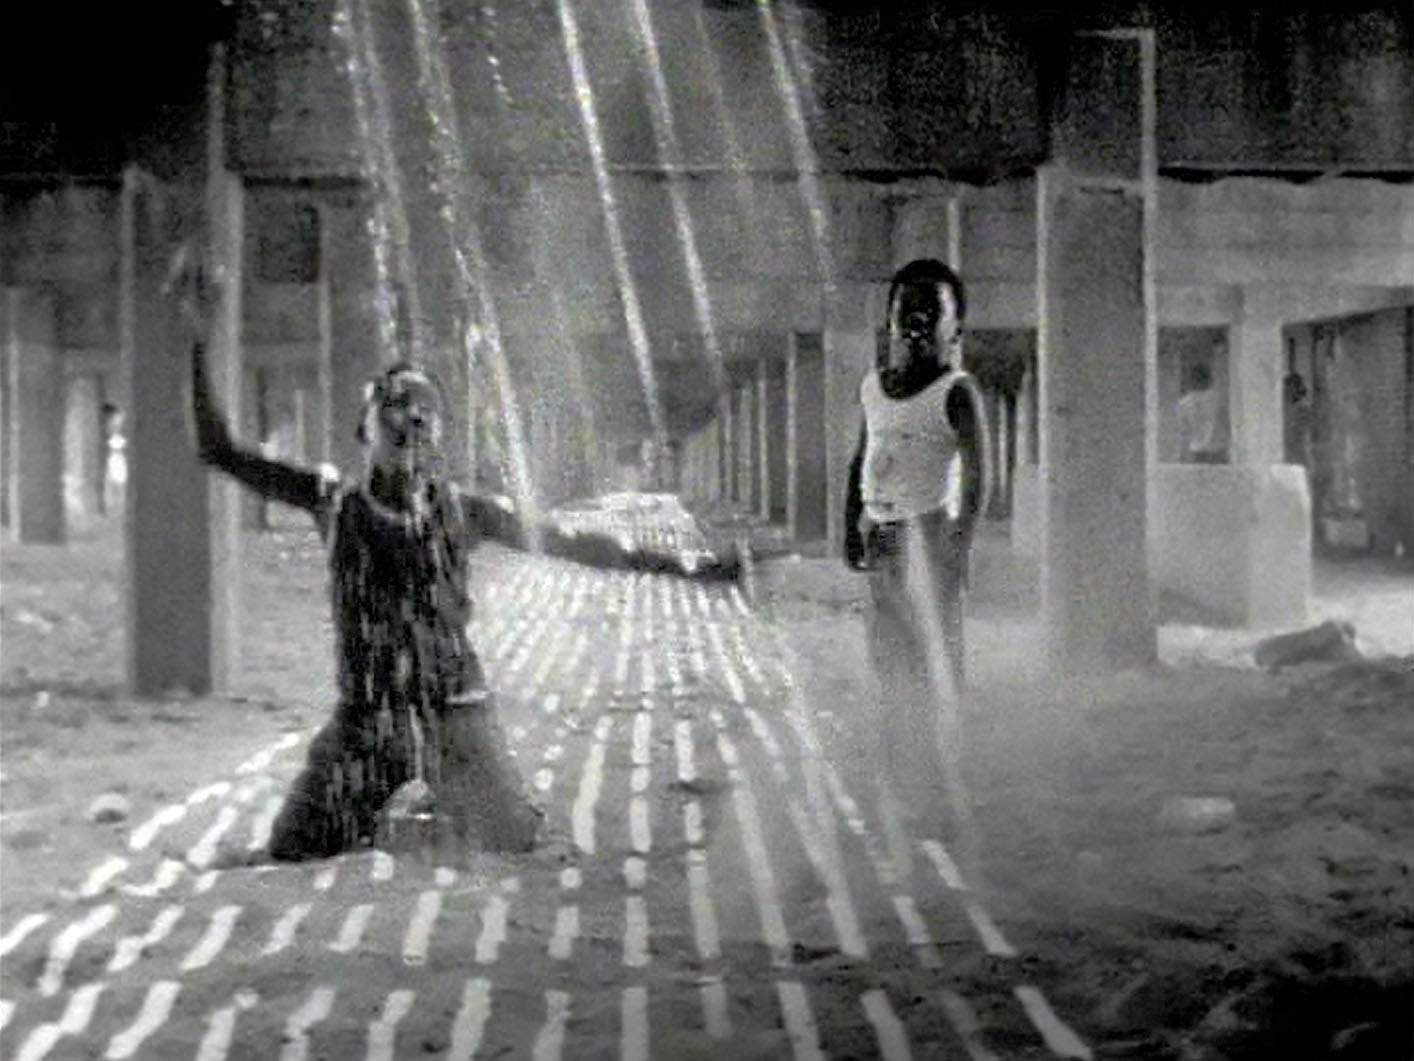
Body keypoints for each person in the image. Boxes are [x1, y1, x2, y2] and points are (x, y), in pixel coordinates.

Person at [180, 265, 740, 861]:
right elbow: (219, 450)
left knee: (514, 842)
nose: (411, 424)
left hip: (455, 718)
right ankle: (399, 816)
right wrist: (197, 341)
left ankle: (427, 814)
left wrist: (687, 566)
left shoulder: (464, 512)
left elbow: (576, 542)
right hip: (368, 723)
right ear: (365, 430)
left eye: (424, 416)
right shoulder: (336, 504)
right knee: (295, 848)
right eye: (396, 412)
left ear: (437, 437)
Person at [843, 258, 990, 800]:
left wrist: (959, 547)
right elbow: (862, 456)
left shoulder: (957, 390)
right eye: (907, 312)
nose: (918, 324)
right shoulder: (872, 388)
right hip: (881, 536)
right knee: (888, 655)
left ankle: (943, 779)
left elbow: (978, 476)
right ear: (889, 322)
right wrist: (850, 523)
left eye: (933, 314)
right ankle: (896, 768)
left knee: (935, 661)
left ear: (957, 331)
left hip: (928, 537)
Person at [1177, 360, 1227, 464]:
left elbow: (1183, 431)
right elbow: (1226, 424)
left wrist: (1182, 455)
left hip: (1196, 451)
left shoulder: (1184, 403)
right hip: (1217, 450)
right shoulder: (1218, 399)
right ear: (1209, 379)